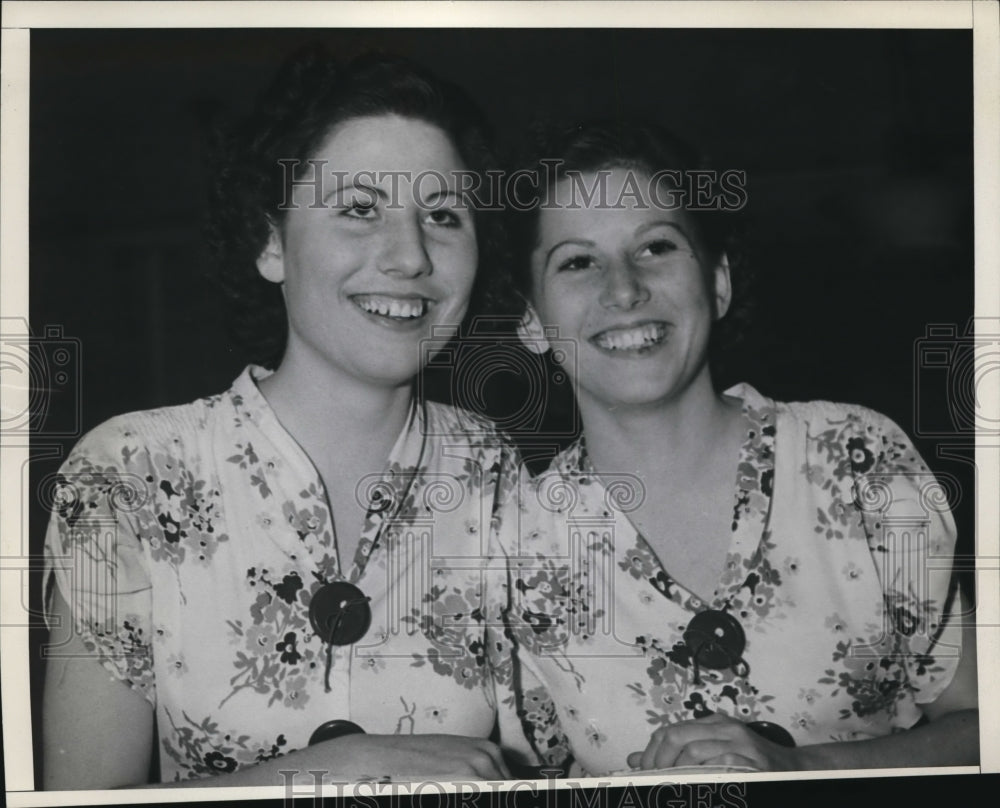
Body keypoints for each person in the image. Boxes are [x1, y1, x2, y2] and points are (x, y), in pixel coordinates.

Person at [41, 48, 517, 788]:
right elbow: (79, 807)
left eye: (444, 216)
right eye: (360, 209)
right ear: (271, 242)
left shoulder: (496, 471)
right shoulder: (129, 473)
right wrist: (335, 772)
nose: (410, 256)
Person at [488, 120, 979, 775]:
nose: (625, 290)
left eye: (655, 248)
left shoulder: (856, 456)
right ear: (531, 320)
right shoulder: (515, 543)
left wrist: (804, 771)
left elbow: (982, 728)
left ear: (717, 283)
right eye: (577, 262)